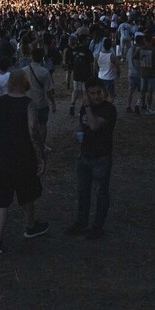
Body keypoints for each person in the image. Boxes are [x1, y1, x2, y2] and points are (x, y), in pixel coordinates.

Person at [0, 70, 49, 255]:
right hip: (23, 157)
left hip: (2, 158)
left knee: (2, 201)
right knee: (27, 194)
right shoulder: (28, 104)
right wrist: (40, 157)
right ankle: (30, 226)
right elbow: (33, 131)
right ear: (25, 83)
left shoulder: (0, 103)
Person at [65, 78, 117, 240]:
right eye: (92, 93)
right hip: (85, 155)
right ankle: (82, 222)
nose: (95, 96)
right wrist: (78, 132)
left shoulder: (108, 109)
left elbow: (94, 125)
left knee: (101, 193)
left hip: (101, 157)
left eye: (98, 92)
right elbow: (83, 124)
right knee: (83, 191)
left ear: (104, 91)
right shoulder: (84, 108)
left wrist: (87, 106)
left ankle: (97, 226)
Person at [24, 47, 57, 147]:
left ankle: (30, 144)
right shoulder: (44, 72)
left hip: (27, 102)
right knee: (42, 124)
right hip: (41, 102)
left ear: (31, 57)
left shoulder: (24, 70)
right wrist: (53, 102)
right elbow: (48, 91)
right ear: (42, 57)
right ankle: (41, 145)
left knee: (30, 124)